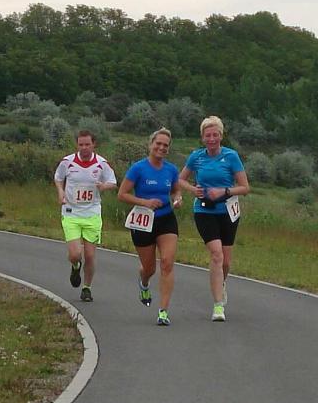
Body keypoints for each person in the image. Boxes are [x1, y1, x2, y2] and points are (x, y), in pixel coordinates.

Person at [178, 116, 249, 322]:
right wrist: (193, 189)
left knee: (225, 261)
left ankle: (221, 282)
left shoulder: (231, 156)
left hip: (228, 211)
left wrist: (224, 191)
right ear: (202, 138)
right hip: (204, 211)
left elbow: (245, 187)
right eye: (207, 135)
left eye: (215, 135)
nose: (211, 139)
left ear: (221, 136)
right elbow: (180, 179)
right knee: (216, 255)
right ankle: (218, 306)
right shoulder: (196, 157)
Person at [117, 128, 182, 326]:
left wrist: (177, 198)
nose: (161, 148)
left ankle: (163, 312)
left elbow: (176, 190)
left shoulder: (171, 170)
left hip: (166, 219)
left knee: (167, 262)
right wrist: (145, 202)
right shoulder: (138, 168)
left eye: (165, 145)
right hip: (143, 221)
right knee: (149, 268)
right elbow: (122, 194)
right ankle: (144, 282)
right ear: (151, 144)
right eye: (158, 144)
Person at [54, 130, 117, 302]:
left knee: (89, 255)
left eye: (87, 144)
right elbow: (58, 178)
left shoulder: (101, 163)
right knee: (75, 254)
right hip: (71, 213)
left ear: (93, 144)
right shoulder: (67, 162)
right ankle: (75, 266)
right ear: (77, 145)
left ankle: (87, 288)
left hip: (92, 213)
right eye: (80, 144)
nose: (84, 148)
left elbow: (113, 182)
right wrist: (60, 191)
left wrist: (104, 186)